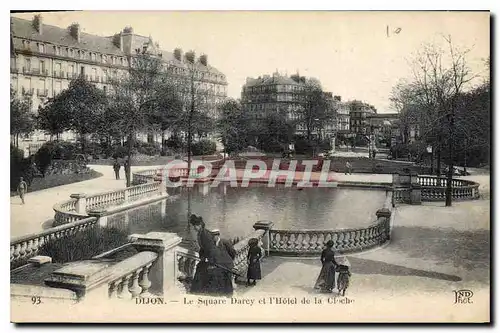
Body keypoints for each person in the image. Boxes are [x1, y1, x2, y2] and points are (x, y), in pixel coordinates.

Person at [210, 229, 237, 296]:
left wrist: (229, 261)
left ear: (218, 235)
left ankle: (229, 295)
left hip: (227, 265)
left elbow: (232, 252)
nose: (213, 237)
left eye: (215, 236)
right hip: (218, 266)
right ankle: (222, 295)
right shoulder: (212, 244)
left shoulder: (225, 242)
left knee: (228, 281)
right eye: (212, 236)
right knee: (220, 281)